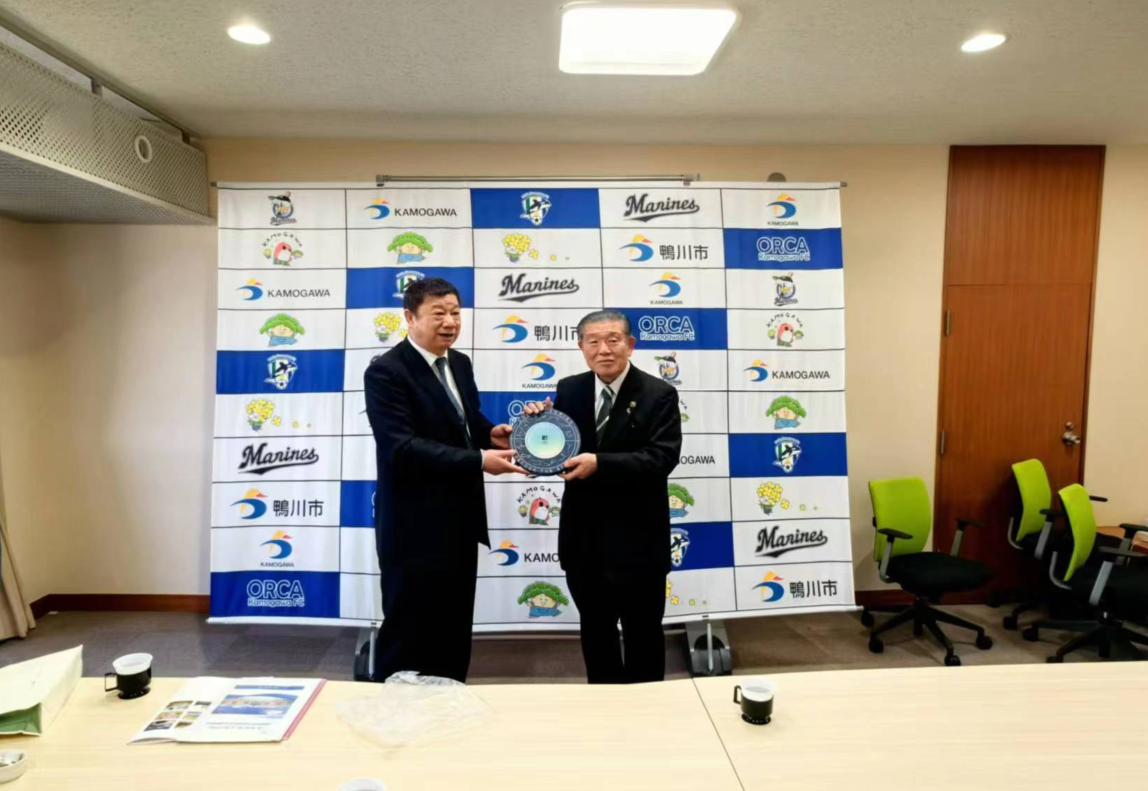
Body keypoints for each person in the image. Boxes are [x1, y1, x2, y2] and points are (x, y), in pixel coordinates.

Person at [364, 277, 525, 682]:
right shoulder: (386, 371)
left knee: (453, 621)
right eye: (438, 313)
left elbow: (464, 420)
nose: (450, 322)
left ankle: (451, 695)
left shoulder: (460, 363)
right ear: (409, 317)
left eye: (455, 312)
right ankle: (395, 706)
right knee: (408, 622)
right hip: (412, 522)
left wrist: (490, 434)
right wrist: (478, 460)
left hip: (460, 517)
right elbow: (401, 447)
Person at [524, 310, 682, 683]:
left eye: (613, 340)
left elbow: (662, 458)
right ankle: (604, 705)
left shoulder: (659, 393)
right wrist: (536, 426)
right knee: (596, 632)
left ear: (630, 344)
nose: (604, 350)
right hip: (584, 541)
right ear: (581, 346)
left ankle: (647, 707)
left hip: (638, 541)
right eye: (593, 341)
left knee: (643, 632)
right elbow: (558, 449)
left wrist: (600, 463)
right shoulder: (570, 389)